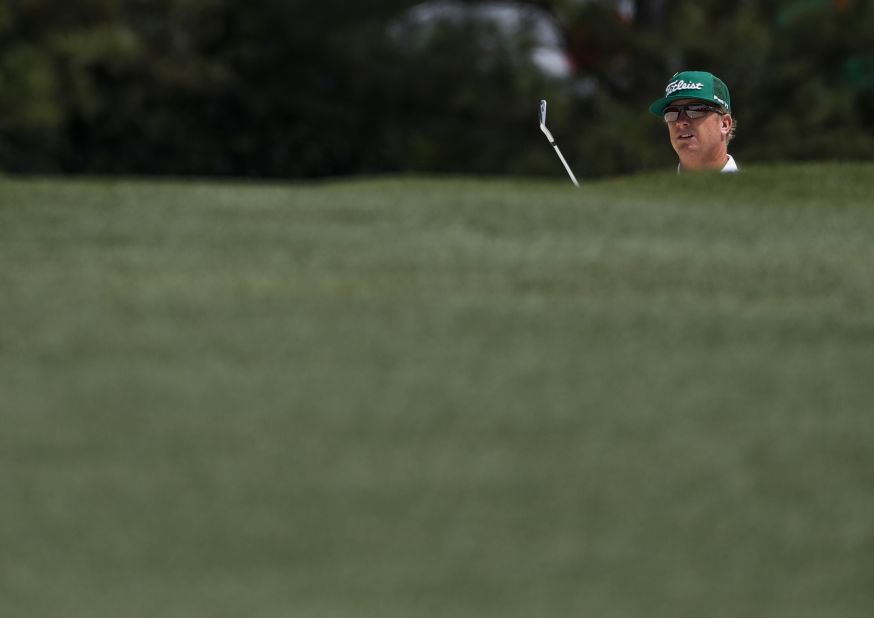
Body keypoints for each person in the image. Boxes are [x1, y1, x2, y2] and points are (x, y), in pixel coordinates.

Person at [649, 71, 738, 173]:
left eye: (695, 110)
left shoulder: (753, 188)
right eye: (671, 112)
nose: (681, 122)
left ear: (724, 124)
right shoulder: (651, 189)